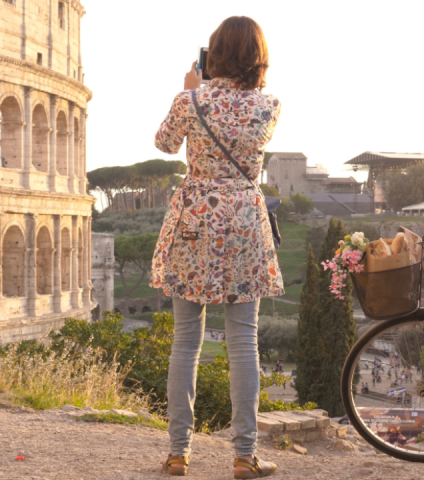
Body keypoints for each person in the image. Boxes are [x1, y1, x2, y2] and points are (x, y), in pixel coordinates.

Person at [150, 16, 281, 479]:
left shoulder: (190, 100)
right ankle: (245, 455)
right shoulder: (269, 106)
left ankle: (178, 453)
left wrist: (187, 89)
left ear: (215, 53)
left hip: (196, 219)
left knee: (186, 341)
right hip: (245, 220)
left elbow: (164, 144)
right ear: (258, 58)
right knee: (244, 341)